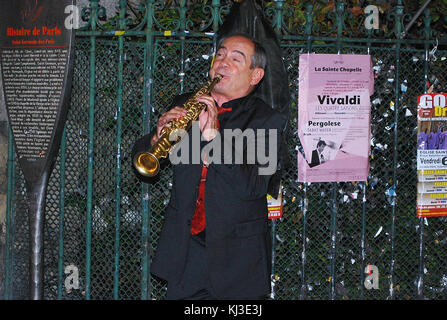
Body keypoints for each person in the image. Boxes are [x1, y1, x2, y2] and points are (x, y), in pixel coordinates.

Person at [132, 34, 286, 300]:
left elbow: (253, 185)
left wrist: (214, 137)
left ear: (255, 75)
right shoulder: (184, 104)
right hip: (186, 253)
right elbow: (148, 159)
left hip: (238, 262)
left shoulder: (267, 121)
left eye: (236, 59)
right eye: (221, 55)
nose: (222, 63)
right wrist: (158, 138)